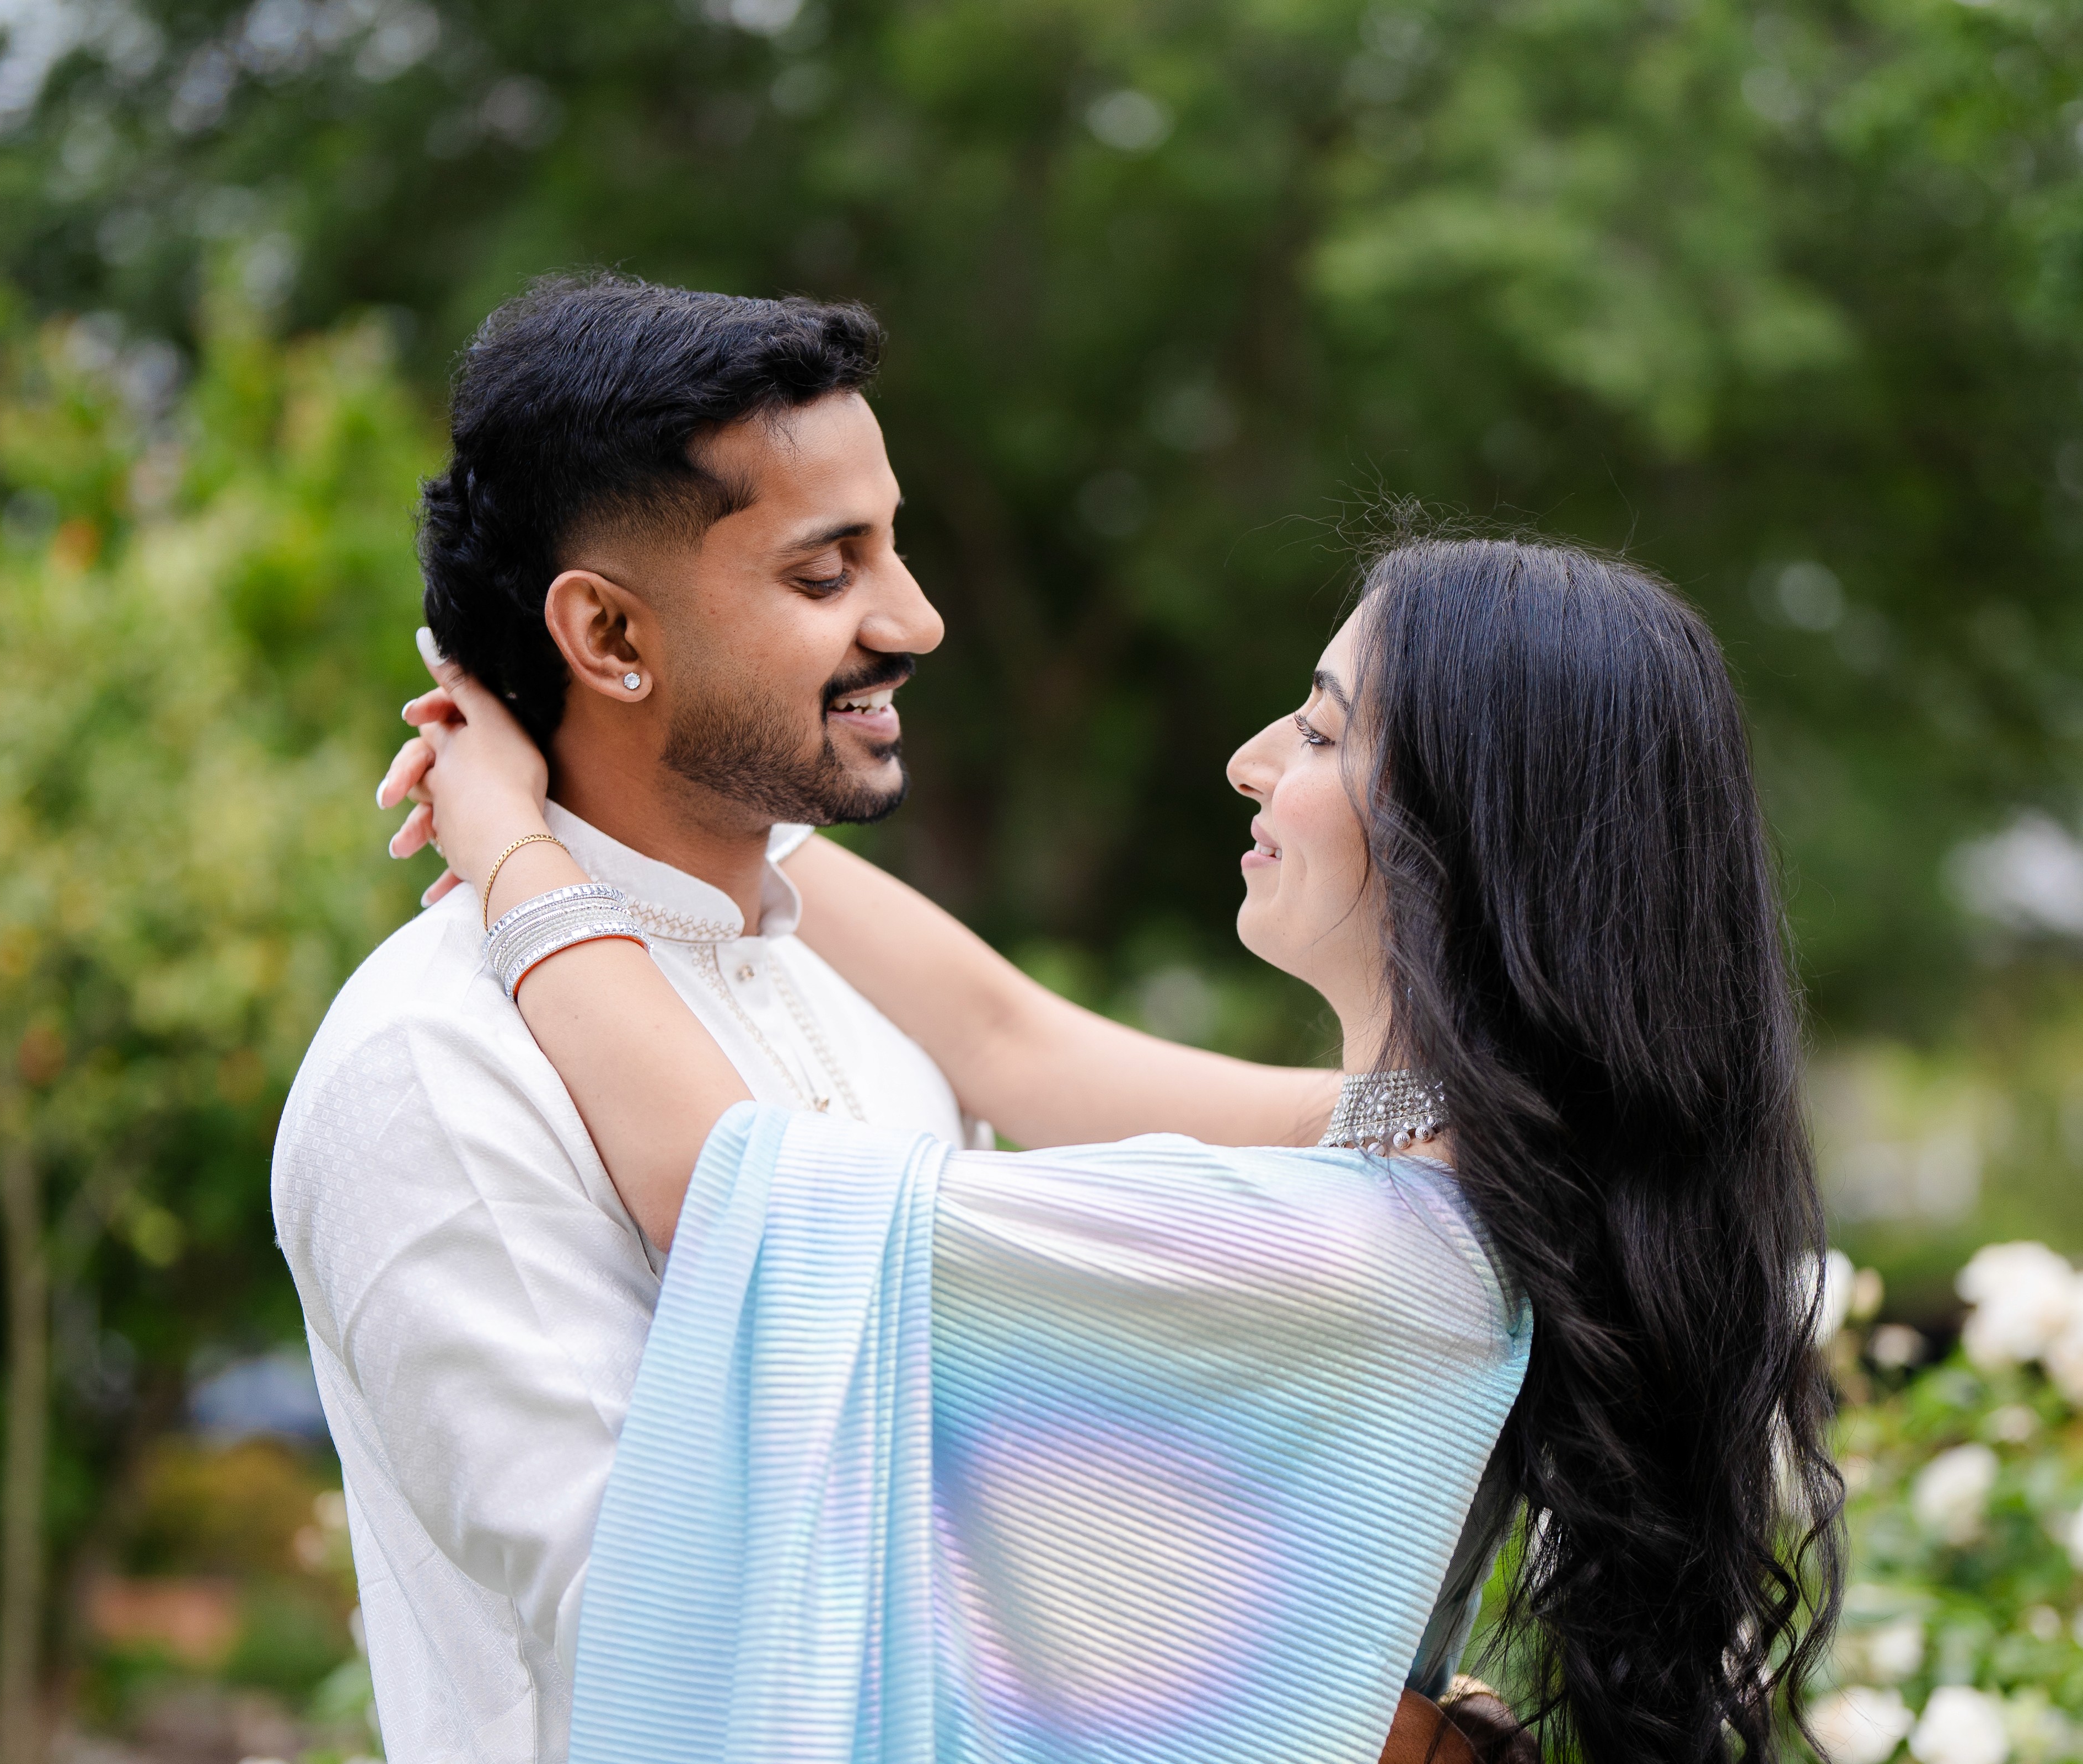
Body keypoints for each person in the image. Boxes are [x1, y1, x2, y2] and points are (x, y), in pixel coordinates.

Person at [383, 536, 1845, 1764]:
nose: (1250, 761)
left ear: (1471, 835)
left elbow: (736, 1191)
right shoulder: (1474, 1182)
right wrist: (651, 788)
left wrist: (510, 842)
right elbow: (1013, 1040)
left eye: (1322, 730)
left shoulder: (1353, 1253)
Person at [272, 273, 1338, 1763]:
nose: (919, 620)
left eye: (892, 545)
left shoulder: (847, 963)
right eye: (828, 573)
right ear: (610, 634)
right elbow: (663, 1642)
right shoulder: (434, 1071)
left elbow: (1025, 1055)